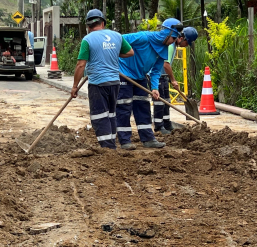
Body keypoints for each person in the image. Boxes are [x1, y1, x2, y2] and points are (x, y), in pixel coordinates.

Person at [71, 9, 134, 149]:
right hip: (115, 83)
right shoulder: (117, 36)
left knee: (99, 116)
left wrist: (75, 86)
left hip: (98, 84)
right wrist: (112, 55)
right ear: (103, 23)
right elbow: (130, 52)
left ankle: (107, 148)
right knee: (111, 114)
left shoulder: (87, 40)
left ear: (88, 26)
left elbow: (81, 65)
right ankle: (111, 145)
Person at [117, 18, 182, 149]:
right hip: (124, 74)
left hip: (140, 76)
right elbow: (118, 40)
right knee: (124, 107)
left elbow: (156, 71)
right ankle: (124, 140)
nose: (173, 42)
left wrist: (154, 88)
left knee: (143, 106)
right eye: (173, 38)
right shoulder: (143, 37)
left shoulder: (163, 49)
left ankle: (148, 139)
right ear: (167, 33)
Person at [154, 26, 199, 135]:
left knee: (167, 101)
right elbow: (166, 64)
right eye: (187, 43)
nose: (186, 45)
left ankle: (167, 124)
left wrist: (169, 78)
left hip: (163, 76)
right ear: (181, 38)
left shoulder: (173, 46)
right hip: (157, 75)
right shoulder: (170, 46)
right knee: (160, 102)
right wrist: (173, 80)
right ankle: (159, 126)